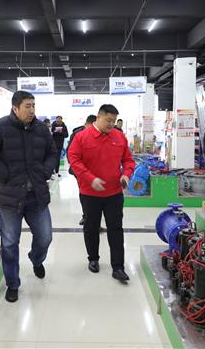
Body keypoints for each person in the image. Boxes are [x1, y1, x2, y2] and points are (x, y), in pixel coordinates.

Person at [0, 91, 58, 303]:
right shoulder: (0, 127)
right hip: (10, 196)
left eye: (33, 105)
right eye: (27, 106)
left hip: (36, 195)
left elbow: (52, 153)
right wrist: (5, 173)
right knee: (10, 243)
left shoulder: (41, 129)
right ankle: (12, 283)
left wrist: (45, 172)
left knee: (45, 237)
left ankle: (36, 258)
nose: (32, 110)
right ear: (15, 108)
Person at [68, 104, 135, 282]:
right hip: (90, 193)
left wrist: (126, 174)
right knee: (91, 227)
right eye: (108, 120)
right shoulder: (82, 137)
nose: (111, 124)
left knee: (116, 228)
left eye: (114, 121)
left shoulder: (119, 137)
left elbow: (128, 160)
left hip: (114, 192)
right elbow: (74, 160)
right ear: (98, 117)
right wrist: (90, 178)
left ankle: (118, 267)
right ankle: (93, 259)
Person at [67, 114, 98, 226]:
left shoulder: (99, 133)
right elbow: (70, 154)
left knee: (95, 193)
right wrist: (78, 168)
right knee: (84, 192)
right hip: (80, 170)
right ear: (86, 124)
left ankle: (93, 216)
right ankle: (86, 216)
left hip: (95, 169)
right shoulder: (76, 135)